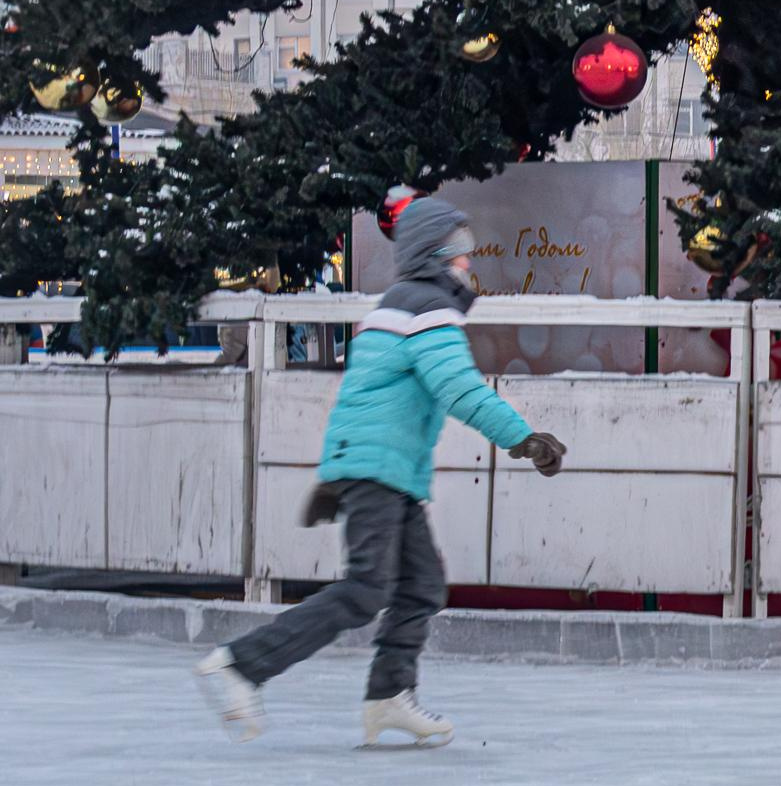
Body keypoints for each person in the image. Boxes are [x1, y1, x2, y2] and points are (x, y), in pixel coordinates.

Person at [192, 196, 568, 746]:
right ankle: (242, 665)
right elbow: (458, 388)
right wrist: (523, 439)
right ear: (431, 255)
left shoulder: (396, 305)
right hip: (380, 472)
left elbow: (365, 397)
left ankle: (388, 697)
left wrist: (339, 472)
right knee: (366, 590)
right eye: (458, 249)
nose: (468, 260)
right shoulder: (426, 308)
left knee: (420, 587)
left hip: (383, 472)